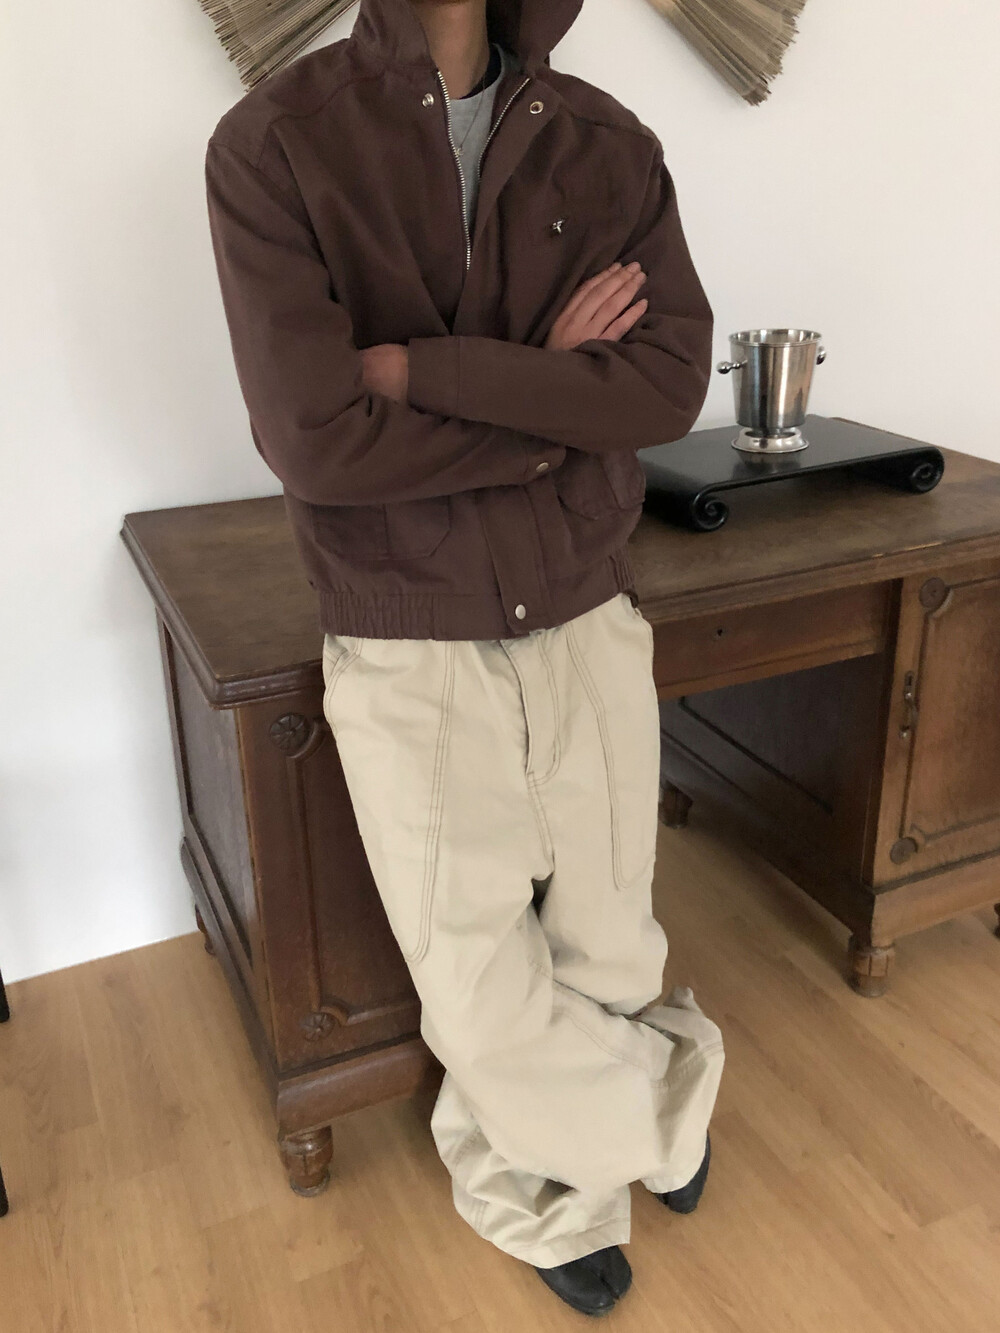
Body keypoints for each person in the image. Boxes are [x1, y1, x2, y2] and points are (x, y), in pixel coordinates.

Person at [205, 0, 724, 1315]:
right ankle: (665, 1108)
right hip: (405, 630)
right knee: (479, 982)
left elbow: (664, 389)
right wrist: (551, 390)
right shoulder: (273, 145)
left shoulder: (611, 145)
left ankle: (562, 1182)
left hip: (586, 607)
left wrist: (423, 373)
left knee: (610, 940)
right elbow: (320, 441)